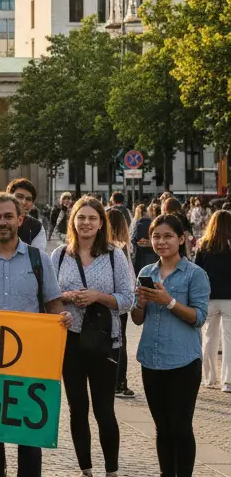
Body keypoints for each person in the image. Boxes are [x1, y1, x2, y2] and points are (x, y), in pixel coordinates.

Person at [0, 192, 73, 477]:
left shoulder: (38, 260)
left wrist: (62, 320)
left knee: (29, 440)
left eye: (9, 216)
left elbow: (53, 304)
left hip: (29, 363)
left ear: (20, 220)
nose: (3, 222)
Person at [52, 197, 134, 477]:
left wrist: (98, 296)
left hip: (104, 340)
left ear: (101, 223)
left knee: (104, 409)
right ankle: (85, 468)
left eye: (92, 218)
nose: (86, 223)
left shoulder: (114, 255)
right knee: (77, 408)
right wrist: (66, 297)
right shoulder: (60, 255)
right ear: (72, 221)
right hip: (70, 340)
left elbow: (128, 299)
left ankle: (111, 469)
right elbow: (48, 297)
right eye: (81, 218)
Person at [133, 214, 210, 477]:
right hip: (151, 360)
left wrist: (169, 301)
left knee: (181, 427)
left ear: (181, 239)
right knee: (162, 428)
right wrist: (141, 303)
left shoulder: (195, 274)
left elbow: (199, 318)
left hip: (183, 362)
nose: (161, 242)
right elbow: (136, 319)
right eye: (156, 236)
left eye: (167, 236)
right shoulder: (146, 272)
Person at [193, 210, 231, 392]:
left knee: (209, 338)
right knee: (229, 340)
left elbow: (197, 272)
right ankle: (228, 381)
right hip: (230, 298)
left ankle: (210, 378)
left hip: (209, 298)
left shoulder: (204, 246)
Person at [106, 208, 137, 399]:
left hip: (109, 298)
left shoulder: (106, 247)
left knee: (110, 341)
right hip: (121, 299)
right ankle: (120, 382)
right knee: (120, 341)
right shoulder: (124, 246)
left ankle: (113, 381)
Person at [6, 178, 48, 251]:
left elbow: (37, 257)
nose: (24, 202)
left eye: (28, 199)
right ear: (8, 197)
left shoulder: (37, 228)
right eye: (19, 196)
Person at [132, 203, 161, 275]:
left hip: (141, 256)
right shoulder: (154, 224)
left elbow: (133, 240)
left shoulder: (137, 225)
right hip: (154, 255)